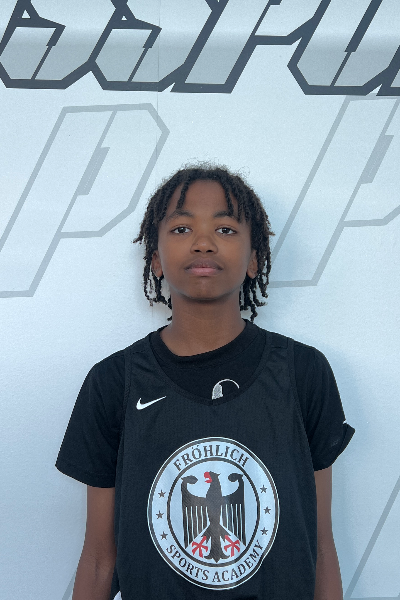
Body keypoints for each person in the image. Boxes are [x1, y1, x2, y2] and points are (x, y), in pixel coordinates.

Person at [56, 164, 355, 600]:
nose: (203, 242)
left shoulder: (303, 372)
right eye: (181, 228)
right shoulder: (113, 382)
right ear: (155, 259)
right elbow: (101, 557)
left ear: (254, 259)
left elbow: (320, 546)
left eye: (226, 229)